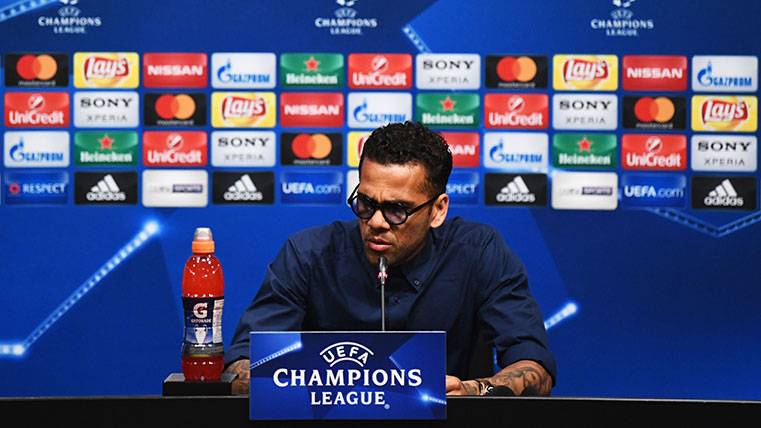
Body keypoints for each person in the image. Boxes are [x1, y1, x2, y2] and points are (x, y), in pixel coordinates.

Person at [225, 121, 556, 396]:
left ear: (438, 210)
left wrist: (474, 390)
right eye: (366, 203)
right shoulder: (308, 255)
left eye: (397, 209)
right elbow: (241, 366)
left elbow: (534, 367)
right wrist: (305, 384)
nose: (376, 222)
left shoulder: (479, 253)